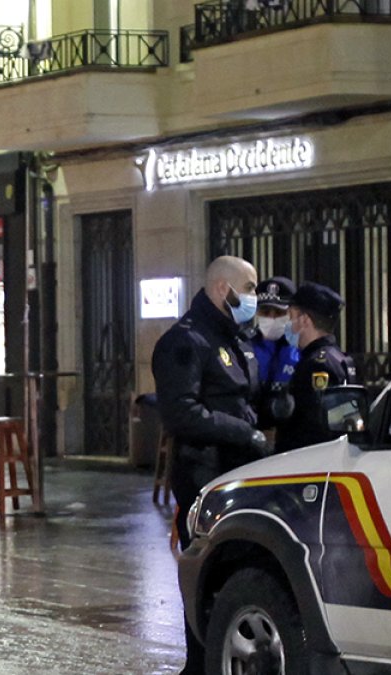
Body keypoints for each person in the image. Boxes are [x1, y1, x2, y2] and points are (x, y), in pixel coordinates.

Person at [151, 255, 270, 674]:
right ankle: (199, 665)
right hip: (205, 477)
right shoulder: (185, 341)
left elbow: (242, 401)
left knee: (235, 573)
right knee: (206, 575)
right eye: (251, 287)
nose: (255, 296)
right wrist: (243, 433)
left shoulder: (231, 336)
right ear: (224, 289)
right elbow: (182, 413)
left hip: (238, 475)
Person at [275, 282, 358, 453]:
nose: (288, 323)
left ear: (304, 320)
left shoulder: (316, 364)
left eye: (291, 316)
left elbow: (314, 426)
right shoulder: (337, 357)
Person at [251, 276, 299, 428]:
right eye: (265, 311)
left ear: (291, 313)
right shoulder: (244, 347)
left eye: (278, 312)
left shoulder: (300, 350)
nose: (271, 317)